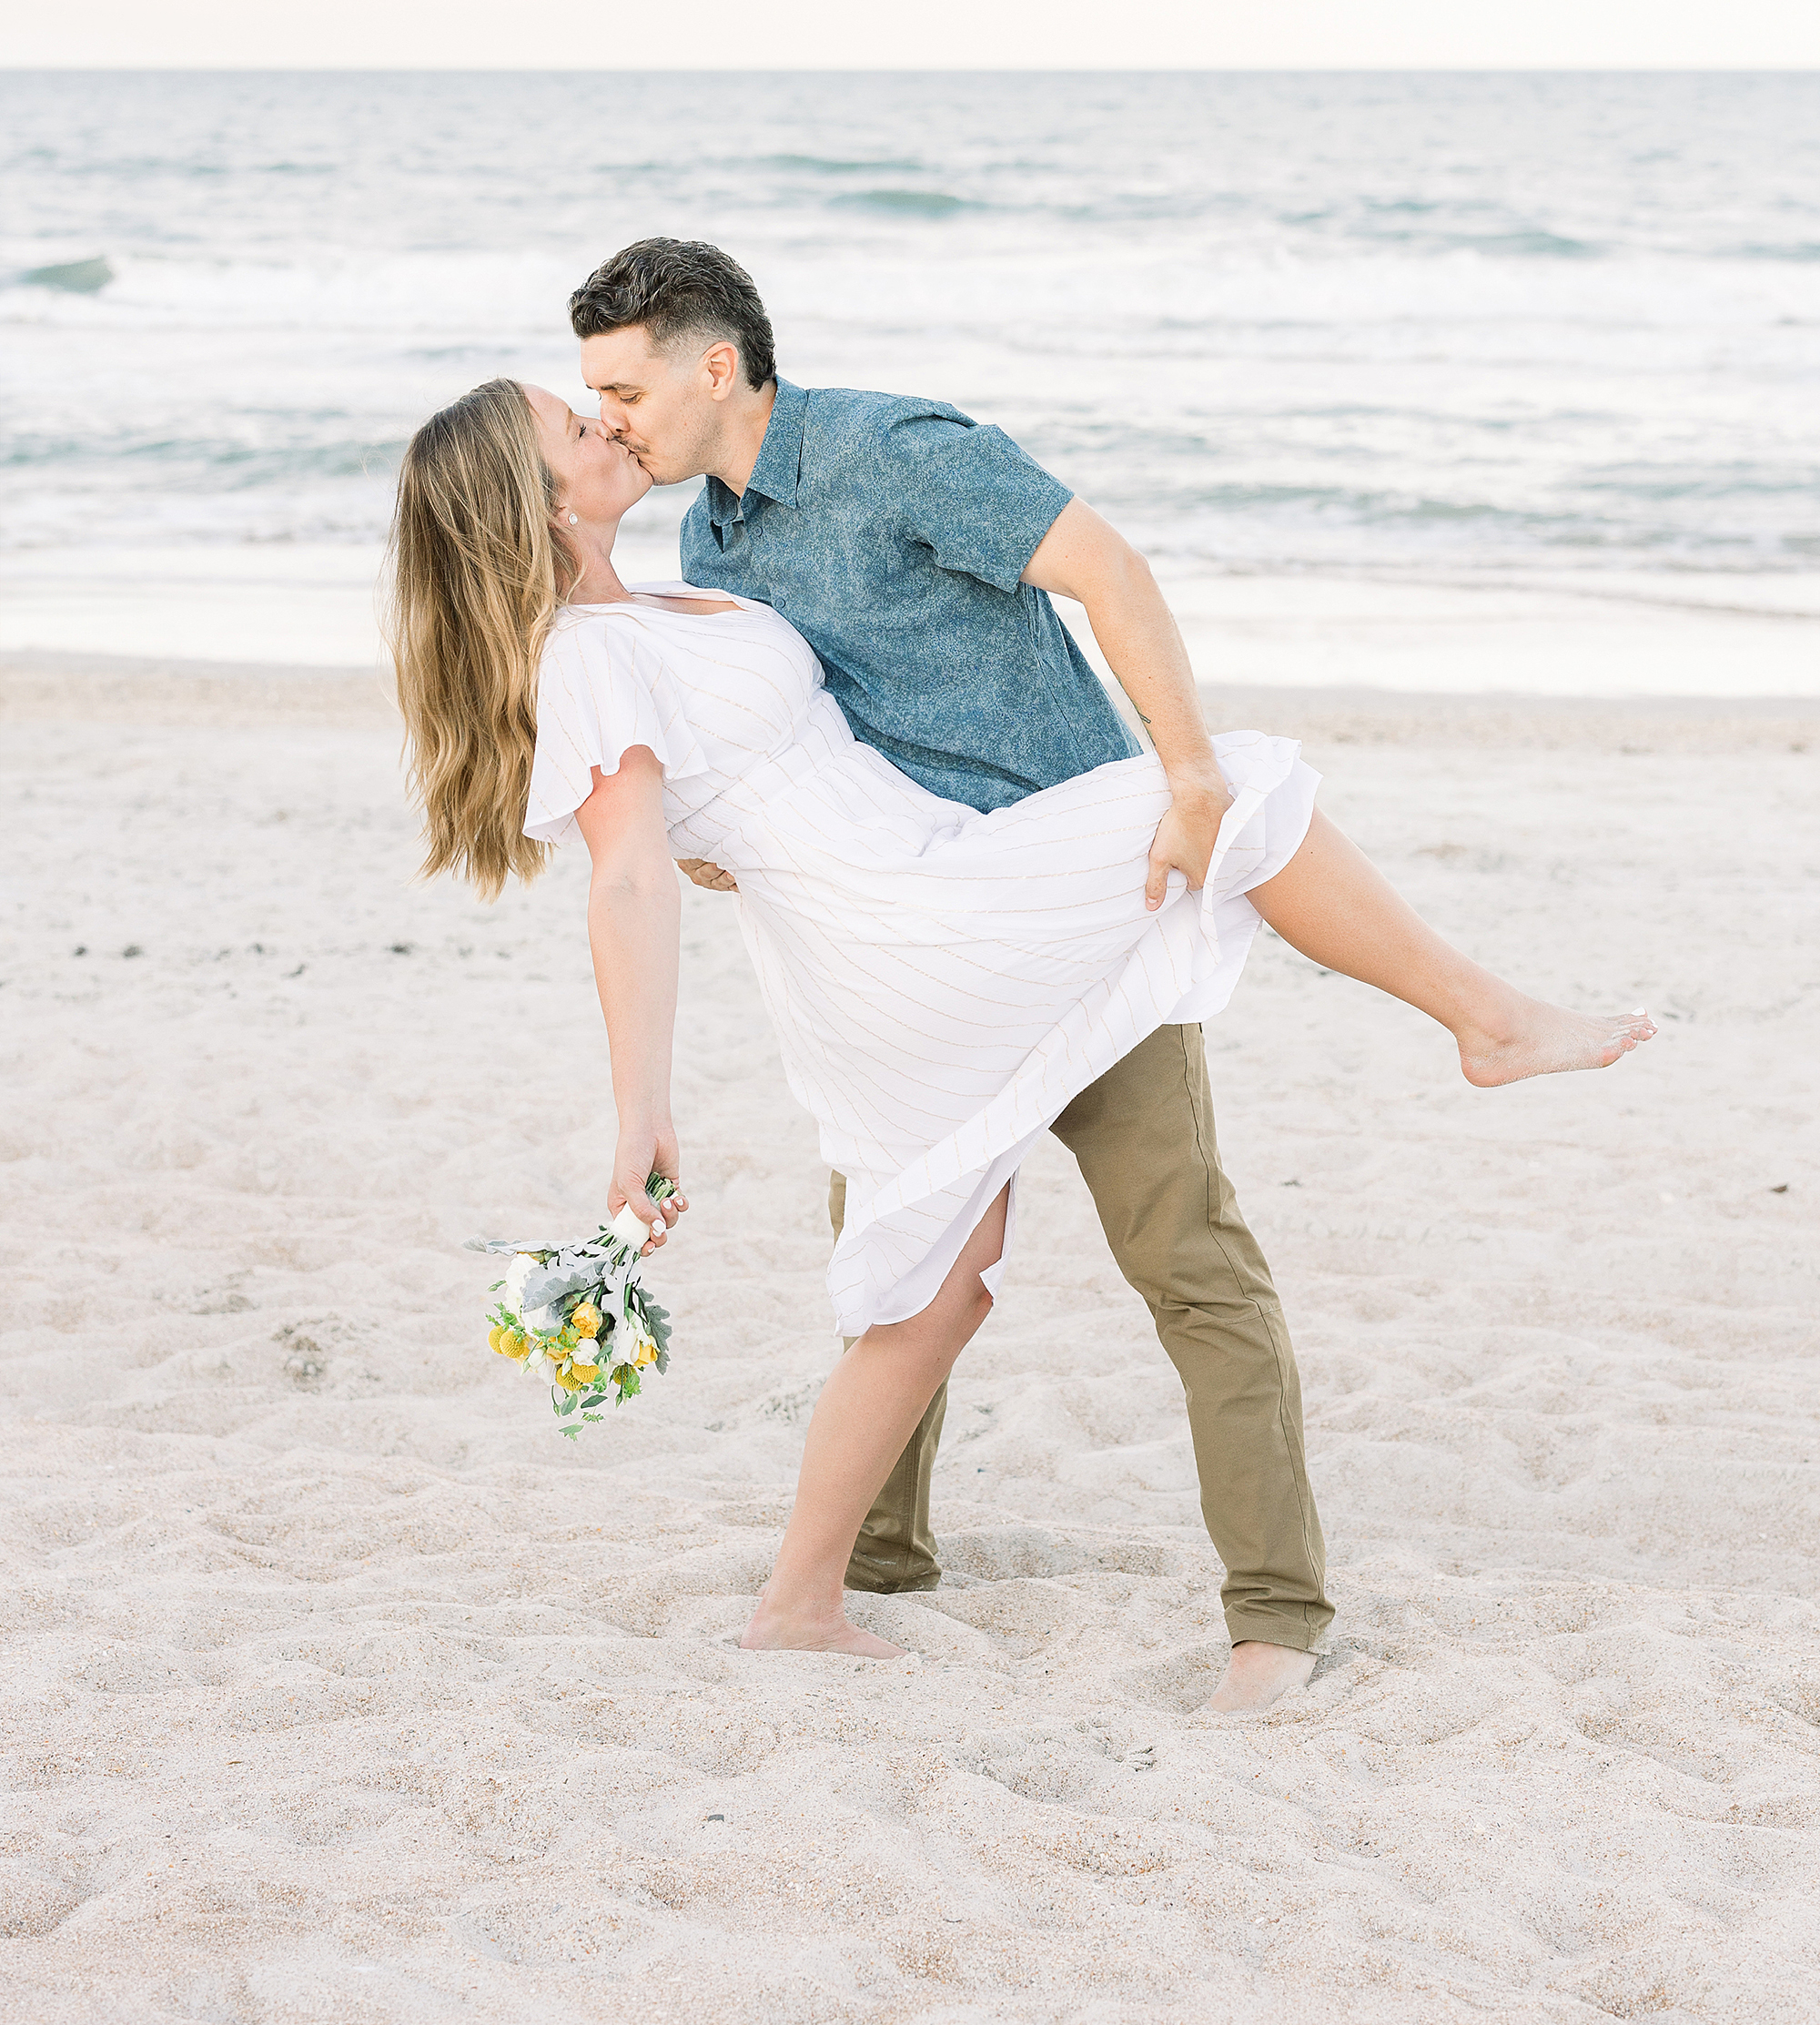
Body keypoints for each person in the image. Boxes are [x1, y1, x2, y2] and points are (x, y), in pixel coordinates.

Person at [384, 297, 1652, 1716]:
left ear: (714, 367)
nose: (600, 418)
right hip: (922, 922)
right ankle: (1484, 1018)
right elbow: (628, 881)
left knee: (936, 1288)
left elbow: (757, 761)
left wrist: (714, 825)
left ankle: (804, 1603)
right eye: (576, 416)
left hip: (919, 910)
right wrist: (642, 1111)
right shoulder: (602, 646)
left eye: (608, 392)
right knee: (1244, 797)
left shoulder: (723, 554)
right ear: (541, 498)